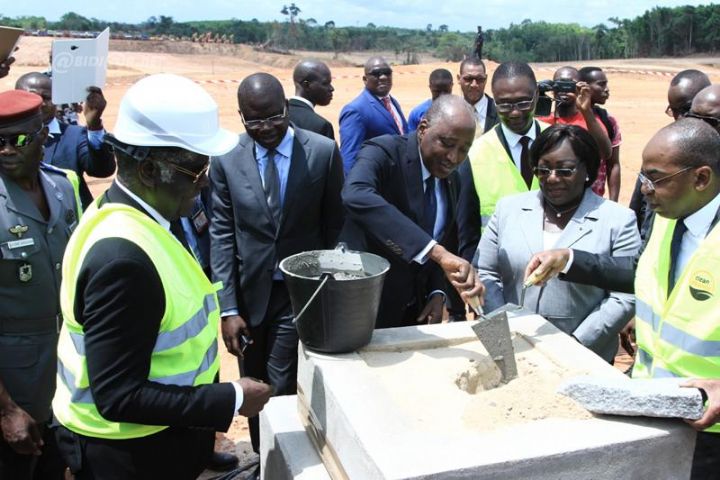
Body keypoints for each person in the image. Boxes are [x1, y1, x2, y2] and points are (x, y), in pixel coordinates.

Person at [51, 73, 272, 480]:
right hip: (131, 454)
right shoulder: (123, 259)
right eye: (195, 170)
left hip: (153, 442)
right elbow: (118, 395)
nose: (205, 180)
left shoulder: (140, 218)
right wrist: (232, 397)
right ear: (151, 170)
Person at [523, 118, 720, 479]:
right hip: (655, 406)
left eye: (656, 178)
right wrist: (568, 260)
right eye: (644, 176)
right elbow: (645, 273)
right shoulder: (667, 215)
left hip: (711, 429)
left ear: (701, 178)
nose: (644, 188)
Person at [210, 72, 344, 454]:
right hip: (248, 298)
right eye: (255, 121)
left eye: (274, 117)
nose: (266, 128)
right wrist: (228, 308)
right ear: (240, 116)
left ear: (287, 107)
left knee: (281, 380)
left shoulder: (320, 152)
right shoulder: (225, 158)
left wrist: (330, 282)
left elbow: (336, 225)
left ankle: (284, 458)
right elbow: (222, 234)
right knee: (251, 383)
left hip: (298, 293)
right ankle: (264, 457)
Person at [476, 125, 640, 362]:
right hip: (512, 350)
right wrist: (499, 333)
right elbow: (485, 272)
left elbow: (625, 295)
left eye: (565, 170)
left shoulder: (618, 221)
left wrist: (575, 344)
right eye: (544, 170)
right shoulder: (508, 209)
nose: (552, 178)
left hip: (583, 355)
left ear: (587, 171)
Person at [341, 95, 485, 329]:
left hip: (414, 313)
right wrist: (437, 253)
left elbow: (444, 238)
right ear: (422, 129)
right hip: (365, 307)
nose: (453, 157)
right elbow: (355, 193)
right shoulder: (383, 153)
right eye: (447, 143)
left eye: (463, 150)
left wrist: (437, 291)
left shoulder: (452, 179)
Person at [0, 90, 80, 479]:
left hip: (64, 377)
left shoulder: (64, 188)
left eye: (15, 140)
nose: (4, 150)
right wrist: (6, 409)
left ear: (40, 135)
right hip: (14, 384)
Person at [466, 61, 550, 230]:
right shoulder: (474, 155)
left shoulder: (561, 143)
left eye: (523, 102)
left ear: (536, 95)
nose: (515, 112)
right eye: (504, 105)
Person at [629, 69, 711, 239]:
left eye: (687, 109)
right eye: (674, 111)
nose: (680, 118)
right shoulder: (662, 155)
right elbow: (637, 216)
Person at [15, 72, 115, 209]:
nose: (42, 103)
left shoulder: (74, 135)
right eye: (34, 96)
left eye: (47, 98)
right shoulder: (5, 140)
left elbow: (102, 170)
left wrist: (95, 125)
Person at [537, 66, 612, 196]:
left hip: (584, 193)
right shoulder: (543, 121)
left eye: (570, 84)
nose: (564, 89)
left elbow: (605, 153)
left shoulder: (590, 121)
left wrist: (586, 110)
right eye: (560, 84)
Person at [339, 56, 408, 174]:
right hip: (377, 183)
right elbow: (349, 157)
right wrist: (355, 189)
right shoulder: (355, 110)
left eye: (387, 73)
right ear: (365, 79)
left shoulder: (392, 102)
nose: (383, 77)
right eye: (376, 74)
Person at [579, 66, 622, 201]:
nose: (607, 89)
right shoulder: (560, 120)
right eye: (601, 84)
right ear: (583, 86)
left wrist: (613, 202)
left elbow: (613, 164)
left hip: (596, 200)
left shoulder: (607, 121)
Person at [289, 59, 335, 140]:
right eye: (325, 83)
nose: (331, 88)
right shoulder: (321, 126)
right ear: (306, 85)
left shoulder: (279, 116)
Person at [457, 56, 498, 137]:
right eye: (468, 79)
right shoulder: (450, 112)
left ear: (486, 79)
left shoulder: (499, 112)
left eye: (479, 79)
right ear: (459, 79)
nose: (474, 85)